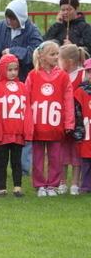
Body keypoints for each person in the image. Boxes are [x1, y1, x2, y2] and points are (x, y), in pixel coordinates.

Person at [25, 41, 74, 197]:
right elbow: (26, 100)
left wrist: (69, 122)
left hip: (56, 124)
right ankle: (40, 185)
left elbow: (68, 100)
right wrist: (27, 124)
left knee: (56, 157)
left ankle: (52, 185)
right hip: (38, 125)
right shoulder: (32, 75)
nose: (56, 57)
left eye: (57, 54)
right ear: (42, 56)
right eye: (52, 54)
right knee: (38, 157)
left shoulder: (63, 76)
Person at [0, 54, 33, 197]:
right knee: (2, 161)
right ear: (2, 70)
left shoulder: (22, 86)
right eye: (9, 69)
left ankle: (17, 187)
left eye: (15, 69)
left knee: (16, 161)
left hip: (18, 132)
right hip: (3, 132)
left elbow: (27, 110)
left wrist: (27, 131)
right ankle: (2, 188)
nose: (13, 72)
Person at [57, 44, 87, 195]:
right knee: (62, 152)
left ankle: (75, 183)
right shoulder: (60, 75)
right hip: (63, 120)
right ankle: (62, 182)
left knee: (76, 152)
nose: (57, 63)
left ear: (68, 61)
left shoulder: (83, 74)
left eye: (59, 59)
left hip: (79, 121)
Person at [72, 58, 91, 193]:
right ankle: (86, 186)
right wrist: (78, 133)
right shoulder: (80, 92)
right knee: (86, 161)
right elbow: (77, 115)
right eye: (89, 72)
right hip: (87, 133)